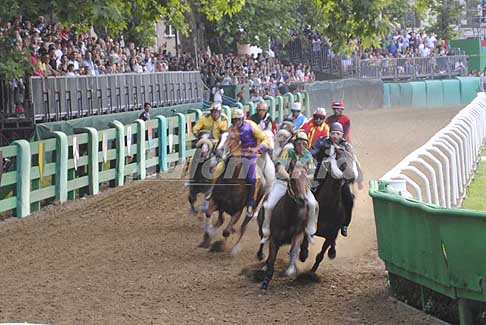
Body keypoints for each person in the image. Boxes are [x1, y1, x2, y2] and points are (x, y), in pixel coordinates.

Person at [263, 131, 318, 244]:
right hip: (283, 182)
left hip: (301, 185)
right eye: (299, 144)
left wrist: (304, 177)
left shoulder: (308, 155)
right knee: (268, 205)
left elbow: (313, 174)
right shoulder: (288, 152)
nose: (301, 146)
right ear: (294, 144)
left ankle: (310, 231)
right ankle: (266, 231)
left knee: (313, 204)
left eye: (304, 144)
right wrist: (289, 177)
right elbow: (281, 168)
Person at [310, 122, 363, 237]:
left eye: (338, 134)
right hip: (321, 174)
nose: (335, 136)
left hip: (340, 179)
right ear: (329, 133)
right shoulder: (322, 141)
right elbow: (312, 152)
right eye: (333, 133)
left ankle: (345, 224)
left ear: (342, 135)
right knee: (310, 194)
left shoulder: (346, 145)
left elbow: (351, 158)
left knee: (349, 200)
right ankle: (306, 222)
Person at [230, 108, 271, 217]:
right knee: (219, 169)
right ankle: (213, 193)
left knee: (252, 179)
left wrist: (257, 148)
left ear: (242, 119)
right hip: (235, 155)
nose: (237, 122)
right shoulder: (231, 129)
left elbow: (266, 139)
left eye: (238, 120)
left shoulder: (251, 126)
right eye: (234, 120)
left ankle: (250, 202)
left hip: (249, 156)